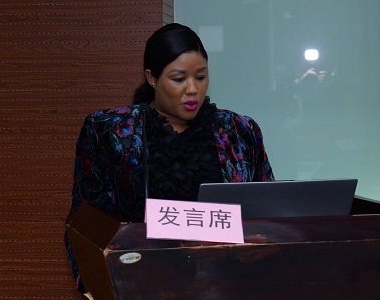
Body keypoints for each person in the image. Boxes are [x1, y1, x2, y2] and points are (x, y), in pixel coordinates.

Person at [65, 24, 275, 283]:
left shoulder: (239, 131)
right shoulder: (110, 131)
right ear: (152, 78)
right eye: (178, 79)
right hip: (141, 285)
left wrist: (260, 246)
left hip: (229, 283)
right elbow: (85, 222)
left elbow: (268, 213)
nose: (192, 89)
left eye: (201, 77)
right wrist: (106, 289)